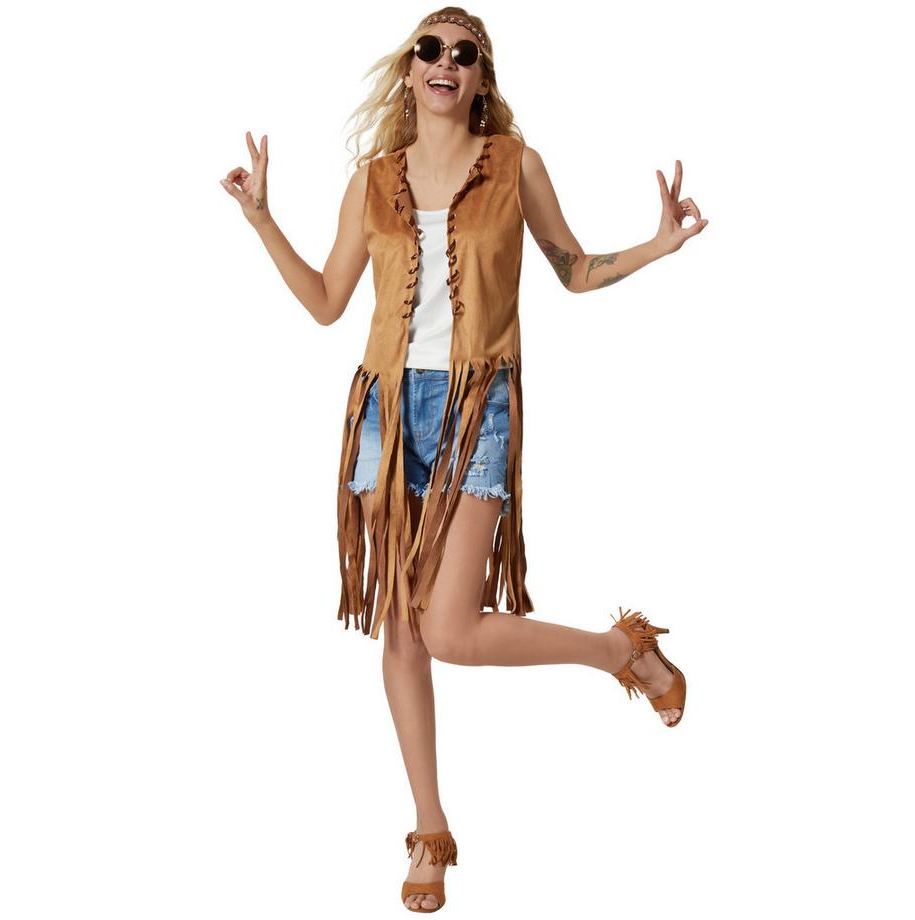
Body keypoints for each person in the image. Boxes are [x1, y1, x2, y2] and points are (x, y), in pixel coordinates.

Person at [220, 7, 707, 912]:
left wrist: (659, 244)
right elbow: (327, 302)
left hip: (477, 406)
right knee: (403, 633)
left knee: (449, 629)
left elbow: (572, 269)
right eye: (430, 49)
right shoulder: (374, 180)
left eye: (465, 52)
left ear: (480, 77)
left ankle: (618, 652)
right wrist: (260, 220)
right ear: (410, 71)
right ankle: (429, 829)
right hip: (385, 411)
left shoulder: (516, 164)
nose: (446, 61)